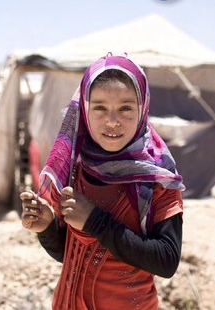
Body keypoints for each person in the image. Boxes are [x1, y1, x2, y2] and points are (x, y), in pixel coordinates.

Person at [19, 54, 185, 310]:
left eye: (126, 108)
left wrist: (95, 221)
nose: (112, 121)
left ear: (143, 108)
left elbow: (166, 261)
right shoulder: (75, 169)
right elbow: (72, 255)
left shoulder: (157, 177)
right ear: (84, 110)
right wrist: (47, 228)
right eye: (99, 108)